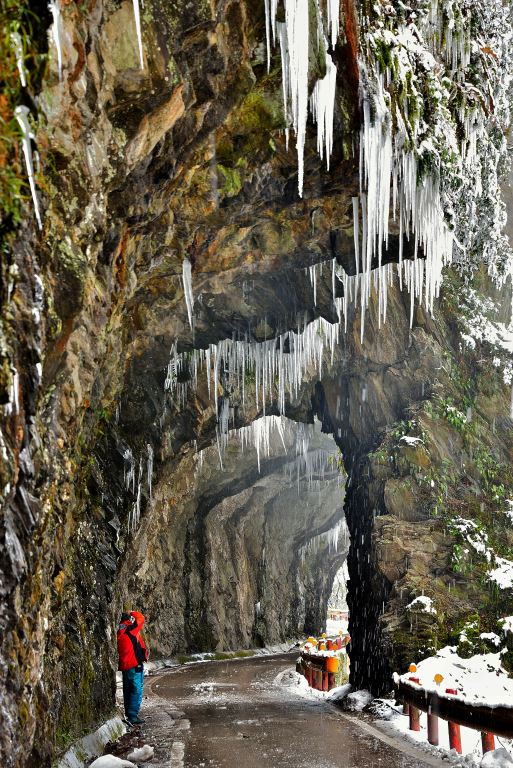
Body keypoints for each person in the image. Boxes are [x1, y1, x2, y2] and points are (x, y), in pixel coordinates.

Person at [117, 610, 149, 725]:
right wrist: (132, 612)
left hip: (125, 665)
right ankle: (132, 716)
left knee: (127, 689)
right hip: (135, 663)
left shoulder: (119, 631)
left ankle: (129, 714)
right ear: (128, 620)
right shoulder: (130, 628)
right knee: (137, 690)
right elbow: (140, 618)